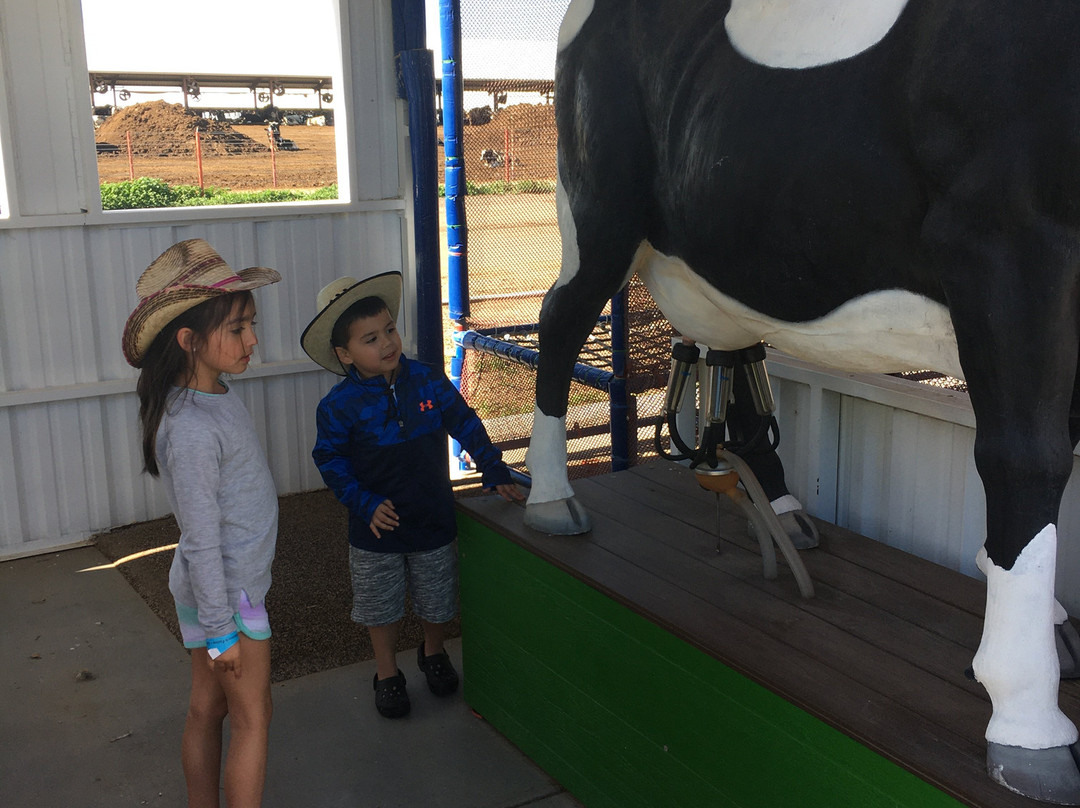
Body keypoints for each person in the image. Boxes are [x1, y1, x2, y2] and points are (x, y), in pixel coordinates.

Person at [302, 272, 523, 719]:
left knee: (438, 597)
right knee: (380, 606)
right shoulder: (338, 406)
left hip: (431, 515)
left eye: (390, 330)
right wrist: (363, 503)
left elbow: (464, 421)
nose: (387, 343)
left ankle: (433, 651)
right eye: (370, 339)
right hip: (375, 526)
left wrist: (492, 466)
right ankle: (387, 673)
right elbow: (330, 462)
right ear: (344, 354)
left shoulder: (426, 381)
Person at [122, 238, 281, 808]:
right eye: (237, 329)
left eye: (250, 325)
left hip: (216, 589)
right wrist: (221, 629)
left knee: (208, 707)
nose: (252, 340)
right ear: (188, 341)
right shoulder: (189, 428)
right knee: (253, 715)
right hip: (228, 596)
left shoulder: (210, 394)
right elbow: (201, 535)